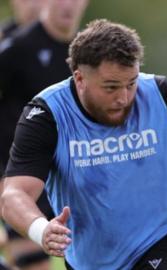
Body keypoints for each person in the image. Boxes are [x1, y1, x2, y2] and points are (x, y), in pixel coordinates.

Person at [1, 18, 167, 270]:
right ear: (79, 79)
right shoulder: (48, 115)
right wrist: (41, 229)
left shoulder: (163, 96)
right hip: (89, 262)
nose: (123, 98)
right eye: (110, 87)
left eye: (131, 83)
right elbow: (14, 195)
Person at [0, 0, 89, 269]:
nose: (68, 5)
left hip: (76, 178)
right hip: (24, 179)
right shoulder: (16, 49)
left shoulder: (89, 52)